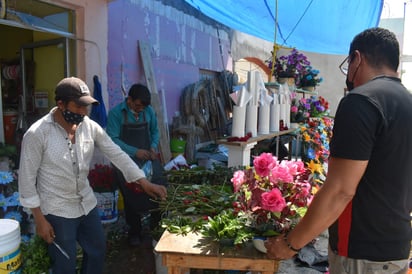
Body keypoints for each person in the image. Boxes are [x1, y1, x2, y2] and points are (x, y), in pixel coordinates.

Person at [265, 27, 411, 273]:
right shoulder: (407, 102)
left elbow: (341, 191)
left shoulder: (361, 101)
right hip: (395, 247)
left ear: (357, 59)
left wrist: (291, 244)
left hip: (360, 252)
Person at [18, 77, 167, 274]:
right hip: (57, 209)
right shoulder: (37, 134)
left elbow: (116, 153)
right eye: (78, 106)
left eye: (86, 106)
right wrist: (39, 220)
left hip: (87, 204)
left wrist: (143, 182)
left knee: (97, 252)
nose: (83, 112)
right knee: (65, 264)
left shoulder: (89, 126)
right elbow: (26, 179)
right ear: (60, 104)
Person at [107, 83, 166, 246]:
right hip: (125, 160)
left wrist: (153, 146)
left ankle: (156, 228)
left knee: (159, 186)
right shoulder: (116, 114)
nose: (140, 109)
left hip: (147, 157)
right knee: (131, 195)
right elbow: (112, 139)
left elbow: (155, 131)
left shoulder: (148, 111)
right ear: (130, 100)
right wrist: (134, 151)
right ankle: (135, 232)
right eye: (138, 105)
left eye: (144, 107)